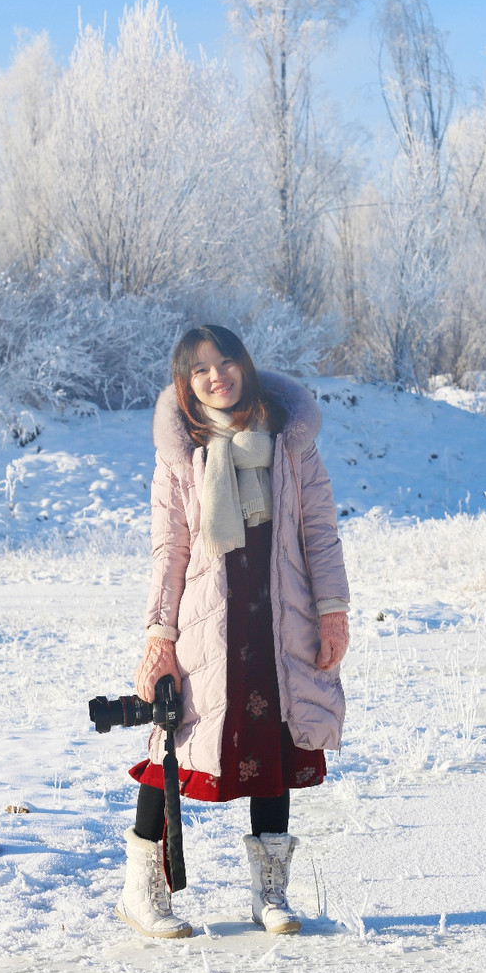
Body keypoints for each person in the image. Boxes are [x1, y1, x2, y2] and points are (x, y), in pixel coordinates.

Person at [115, 325, 350, 939]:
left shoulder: (291, 441)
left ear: (244, 365)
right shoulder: (180, 454)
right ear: (185, 383)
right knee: (174, 749)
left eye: (225, 362)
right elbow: (169, 550)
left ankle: (270, 895)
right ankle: (143, 890)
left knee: (277, 743)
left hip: (280, 617)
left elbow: (320, 531)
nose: (216, 376)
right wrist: (158, 640)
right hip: (206, 624)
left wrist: (333, 611)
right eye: (199, 370)